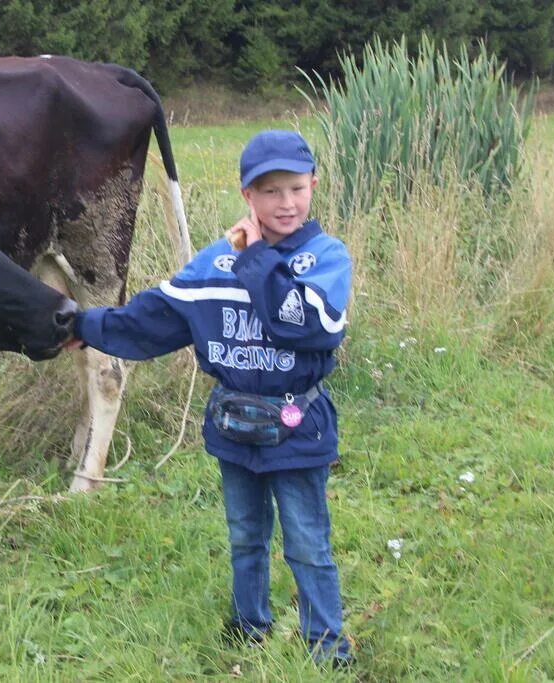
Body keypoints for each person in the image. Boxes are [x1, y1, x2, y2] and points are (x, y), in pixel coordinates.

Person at [66, 130, 353, 666]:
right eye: (270, 191)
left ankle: (328, 648)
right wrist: (83, 323)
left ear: (313, 185)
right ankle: (249, 626)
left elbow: (307, 326)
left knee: (307, 544)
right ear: (247, 195)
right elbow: (154, 318)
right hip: (234, 426)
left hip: (297, 425)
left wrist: (257, 259)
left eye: (295, 188)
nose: (285, 203)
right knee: (245, 535)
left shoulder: (325, 257)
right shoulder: (214, 262)